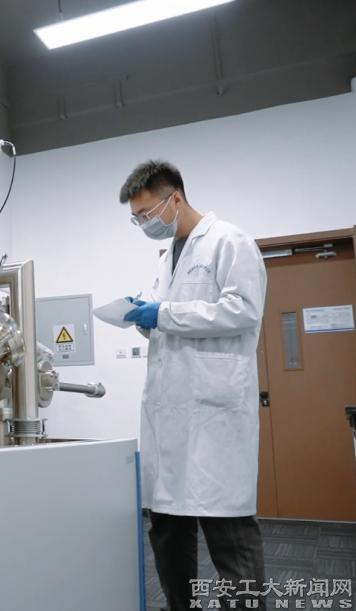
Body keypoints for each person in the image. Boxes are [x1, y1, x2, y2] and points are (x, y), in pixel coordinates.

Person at [119, 160, 268, 611]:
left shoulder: (229, 242)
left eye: (147, 214)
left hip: (214, 416)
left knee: (229, 534)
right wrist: (143, 316)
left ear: (175, 199)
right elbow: (166, 317)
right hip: (170, 416)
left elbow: (242, 310)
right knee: (167, 531)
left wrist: (163, 314)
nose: (144, 224)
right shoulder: (167, 258)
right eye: (136, 219)